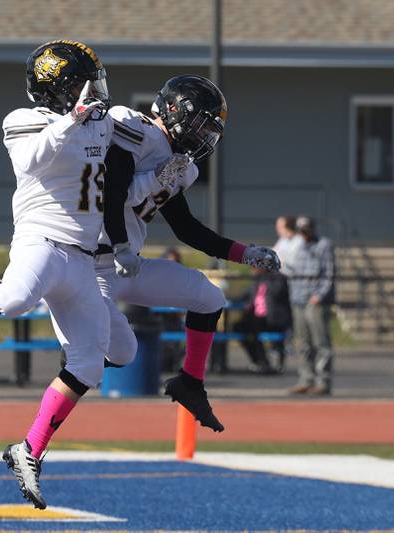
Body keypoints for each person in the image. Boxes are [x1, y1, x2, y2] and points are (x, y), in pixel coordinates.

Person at [0, 40, 167, 510]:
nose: (95, 92)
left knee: (101, 361)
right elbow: (28, 160)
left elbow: (135, 151)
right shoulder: (23, 120)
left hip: (82, 258)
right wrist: (71, 122)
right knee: (14, 299)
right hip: (40, 240)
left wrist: (169, 151)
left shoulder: (101, 120)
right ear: (59, 89)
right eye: (83, 84)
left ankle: (28, 450)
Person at [95, 75, 280, 432]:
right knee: (95, 358)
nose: (202, 135)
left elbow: (186, 228)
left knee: (209, 297)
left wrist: (245, 254)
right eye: (200, 123)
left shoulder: (178, 163)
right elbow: (114, 195)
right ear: (175, 110)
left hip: (125, 266)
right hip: (93, 260)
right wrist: (122, 241)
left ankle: (190, 383)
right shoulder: (135, 129)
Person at [287, 216, 336, 395]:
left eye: (306, 231)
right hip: (298, 299)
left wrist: (320, 295)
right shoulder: (298, 246)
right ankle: (306, 379)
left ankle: (323, 381)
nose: (304, 235)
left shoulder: (324, 245)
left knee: (321, 342)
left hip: (314, 300)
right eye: (301, 232)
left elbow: (329, 273)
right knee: (303, 343)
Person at [232, 268, 291, 374]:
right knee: (238, 327)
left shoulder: (278, 278)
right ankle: (259, 360)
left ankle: (265, 362)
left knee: (254, 326)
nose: (253, 269)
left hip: (273, 319)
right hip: (257, 320)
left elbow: (276, 293)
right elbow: (244, 296)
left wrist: (264, 277)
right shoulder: (256, 280)